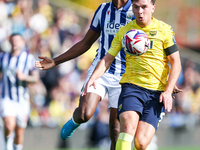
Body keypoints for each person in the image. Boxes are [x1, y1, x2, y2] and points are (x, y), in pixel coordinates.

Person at [82, 0, 182, 149]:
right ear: (132, 8)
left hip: (156, 93)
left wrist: (168, 90)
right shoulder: (125, 31)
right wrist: (93, 78)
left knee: (140, 143)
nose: (140, 11)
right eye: (136, 7)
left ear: (153, 8)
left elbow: (176, 62)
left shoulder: (164, 30)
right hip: (132, 88)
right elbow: (107, 58)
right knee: (127, 129)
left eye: (144, 7)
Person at [35, 0, 135, 149]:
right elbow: (86, 43)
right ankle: (75, 121)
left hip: (125, 75)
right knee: (85, 114)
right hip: (101, 69)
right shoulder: (103, 9)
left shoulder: (136, 11)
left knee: (116, 130)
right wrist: (55, 61)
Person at [0, 33, 39, 150]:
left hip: (22, 100)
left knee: (19, 132)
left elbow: (35, 78)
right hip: (6, 97)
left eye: (17, 40)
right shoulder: (3, 57)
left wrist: (24, 77)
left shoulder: (29, 58)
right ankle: (7, 147)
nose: (15, 42)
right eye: (13, 40)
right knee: (9, 124)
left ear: (22, 42)